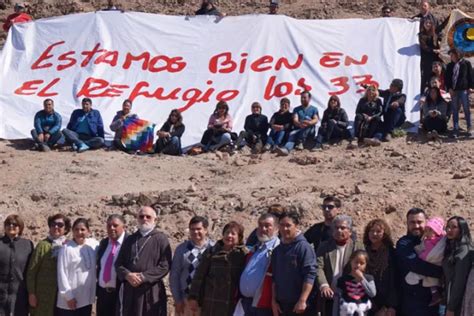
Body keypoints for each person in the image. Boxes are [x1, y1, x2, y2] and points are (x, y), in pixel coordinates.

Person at [115, 206, 172, 316]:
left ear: (155, 220)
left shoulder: (161, 239)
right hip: (130, 290)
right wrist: (127, 275)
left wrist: (143, 277)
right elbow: (118, 264)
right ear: (137, 219)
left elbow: (165, 265)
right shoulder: (130, 240)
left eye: (148, 217)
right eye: (141, 216)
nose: (144, 219)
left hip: (151, 290)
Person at [188, 221, 248, 316]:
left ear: (239, 237)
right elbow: (199, 276)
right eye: (227, 232)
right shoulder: (211, 252)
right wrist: (194, 297)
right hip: (211, 303)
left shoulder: (244, 254)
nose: (229, 236)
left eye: (233, 233)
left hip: (233, 304)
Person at [396, 208, 443, 316]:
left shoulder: (436, 242)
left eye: (419, 222)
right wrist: (442, 272)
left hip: (435, 303)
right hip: (413, 304)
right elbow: (416, 265)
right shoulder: (404, 243)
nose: (416, 226)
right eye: (412, 222)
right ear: (407, 224)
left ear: (426, 223)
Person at [316, 215, 365, 316]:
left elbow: (361, 268)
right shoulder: (324, 246)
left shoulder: (357, 246)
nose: (339, 230)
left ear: (350, 231)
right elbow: (318, 267)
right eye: (336, 227)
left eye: (342, 228)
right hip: (330, 296)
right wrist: (324, 285)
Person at [271, 211, 317, 316]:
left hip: (299, 306)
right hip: (281, 306)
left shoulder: (304, 248)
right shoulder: (277, 250)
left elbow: (310, 275)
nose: (284, 229)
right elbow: (274, 278)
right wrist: (274, 301)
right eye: (282, 225)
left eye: (288, 225)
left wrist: (302, 300)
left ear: (296, 226)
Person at [27, 214, 71, 316]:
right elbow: (32, 271)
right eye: (53, 224)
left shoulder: (70, 246)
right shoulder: (42, 245)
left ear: (66, 229)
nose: (56, 227)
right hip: (42, 296)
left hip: (63, 297)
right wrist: (31, 293)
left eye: (60, 225)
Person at [170, 216, 214, 316]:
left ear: (206, 230)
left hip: (207, 300)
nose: (195, 232)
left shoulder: (213, 248)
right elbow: (174, 275)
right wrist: (178, 299)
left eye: (199, 229)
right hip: (186, 300)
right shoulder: (182, 249)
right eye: (192, 229)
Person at [240, 213, 280, 316]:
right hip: (246, 303)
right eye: (260, 225)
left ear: (276, 228)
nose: (263, 228)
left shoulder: (278, 249)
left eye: (267, 226)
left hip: (263, 305)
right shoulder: (256, 248)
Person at [57, 218, 99, 316]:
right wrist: (68, 296)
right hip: (70, 301)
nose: (79, 232)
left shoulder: (93, 245)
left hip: (87, 300)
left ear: (88, 231)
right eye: (76, 229)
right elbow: (61, 273)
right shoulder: (66, 249)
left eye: (82, 229)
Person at [405, 217, 446, 306]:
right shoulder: (426, 241)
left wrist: (421, 257)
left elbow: (429, 253)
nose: (427, 233)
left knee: (432, 282)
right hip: (430, 267)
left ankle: (436, 295)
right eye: (426, 230)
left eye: (430, 230)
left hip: (433, 264)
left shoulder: (439, 242)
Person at [0, 215, 33, 316]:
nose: (11, 226)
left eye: (15, 224)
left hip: (20, 295)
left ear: (20, 227)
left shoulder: (27, 245)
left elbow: (30, 270)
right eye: (8, 224)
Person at [363, 219, 398, 316]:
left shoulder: (391, 254)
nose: (374, 234)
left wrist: (390, 306)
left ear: (384, 234)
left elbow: (395, 280)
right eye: (371, 231)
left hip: (386, 305)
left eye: (378, 231)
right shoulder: (363, 252)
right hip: (366, 303)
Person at [96, 214, 128, 316]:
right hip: (103, 295)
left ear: (124, 227)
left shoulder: (130, 243)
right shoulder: (104, 243)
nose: (111, 228)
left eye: (115, 225)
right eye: (109, 226)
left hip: (120, 294)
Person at [442, 216, 473, 316]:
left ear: (462, 229)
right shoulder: (453, 247)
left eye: (454, 227)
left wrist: (451, 307)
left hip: (459, 303)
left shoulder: (464, 250)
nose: (449, 230)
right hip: (450, 298)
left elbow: (459, 281)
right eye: (448, 227)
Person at [275, 90, 319, 156]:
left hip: (310, 131)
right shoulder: (296, 109)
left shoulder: (314, 109)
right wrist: (299, 124)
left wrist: (309, 122)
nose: (302, 99)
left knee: (307, 118)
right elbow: (295, 119)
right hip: (299, 129)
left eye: (304, 97)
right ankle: (286, 149)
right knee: (292, 133)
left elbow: (316, 119)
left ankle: (301, 141)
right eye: (301, 98)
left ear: (309, 99)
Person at [336, 250, 376, 316]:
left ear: (366, 264)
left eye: (362, 263)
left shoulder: (369, 278)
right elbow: (337, 300)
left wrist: (362, 279)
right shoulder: (343, 279)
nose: (358, 265)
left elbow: (372, 293)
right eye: (356, 262)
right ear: (351, 261)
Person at [445, 49, 473, 138]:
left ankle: (470, 128)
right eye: (450, 56)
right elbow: (447, 78)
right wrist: (449, 88)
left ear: (458, 55)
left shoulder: (466, 64)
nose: (451, 57)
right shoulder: (449, 66)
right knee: (455, 109)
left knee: (466, 109)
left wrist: (471, 87)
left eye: (452, 55)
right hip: (454, 90)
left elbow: (470, 76)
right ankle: (455, 129)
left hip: (464, 90)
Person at [419, 18, 442, 93]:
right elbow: (423, 46)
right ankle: (424, 93)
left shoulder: (435, 33)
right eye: (426, 23)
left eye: (429, 23)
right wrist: (433, 50)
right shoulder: (421, 35)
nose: (428, 24)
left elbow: (443, 26)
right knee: (426, 75)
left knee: (439, 74)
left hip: (436, 58)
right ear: (423, 24)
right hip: (427, 59)